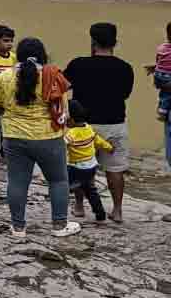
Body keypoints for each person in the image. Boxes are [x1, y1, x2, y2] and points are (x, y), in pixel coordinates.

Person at [0, 38, 79, 238]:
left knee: (17, 182)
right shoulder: (53, 77)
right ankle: (60, 226)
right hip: (49, 138)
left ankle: (18, 228)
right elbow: (64, 110)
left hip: (14, 137)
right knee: (58, 180)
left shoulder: (6, 76)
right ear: (43, 55)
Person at [63, 22, 134, 223]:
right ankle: (118, 210)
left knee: (81, 165)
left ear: (93, 42)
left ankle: (78, 207)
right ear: (115, 43)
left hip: (84, 127)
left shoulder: (78, 64)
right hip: (115, 124)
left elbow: (62, 85)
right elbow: (125, 94)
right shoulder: (125, 68)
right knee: (115, 169)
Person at [64, 99, 111, 223]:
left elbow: (62, 145)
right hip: (91, 166)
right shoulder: (89, 128)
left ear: (72, 120)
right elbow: (99, 141)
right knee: (91, 190)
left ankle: (60, 215)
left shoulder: (72, 133)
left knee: (62, 187)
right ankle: (100, 214)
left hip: (76, 167)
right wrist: (109, 148)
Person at [145, 22, 171, 122]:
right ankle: (163, 110)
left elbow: (159, 60)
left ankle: (161, 110)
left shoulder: (162, 48)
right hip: (168, 77)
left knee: (164, 91)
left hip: (159, 75)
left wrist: (155, 68)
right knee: (168, 93)